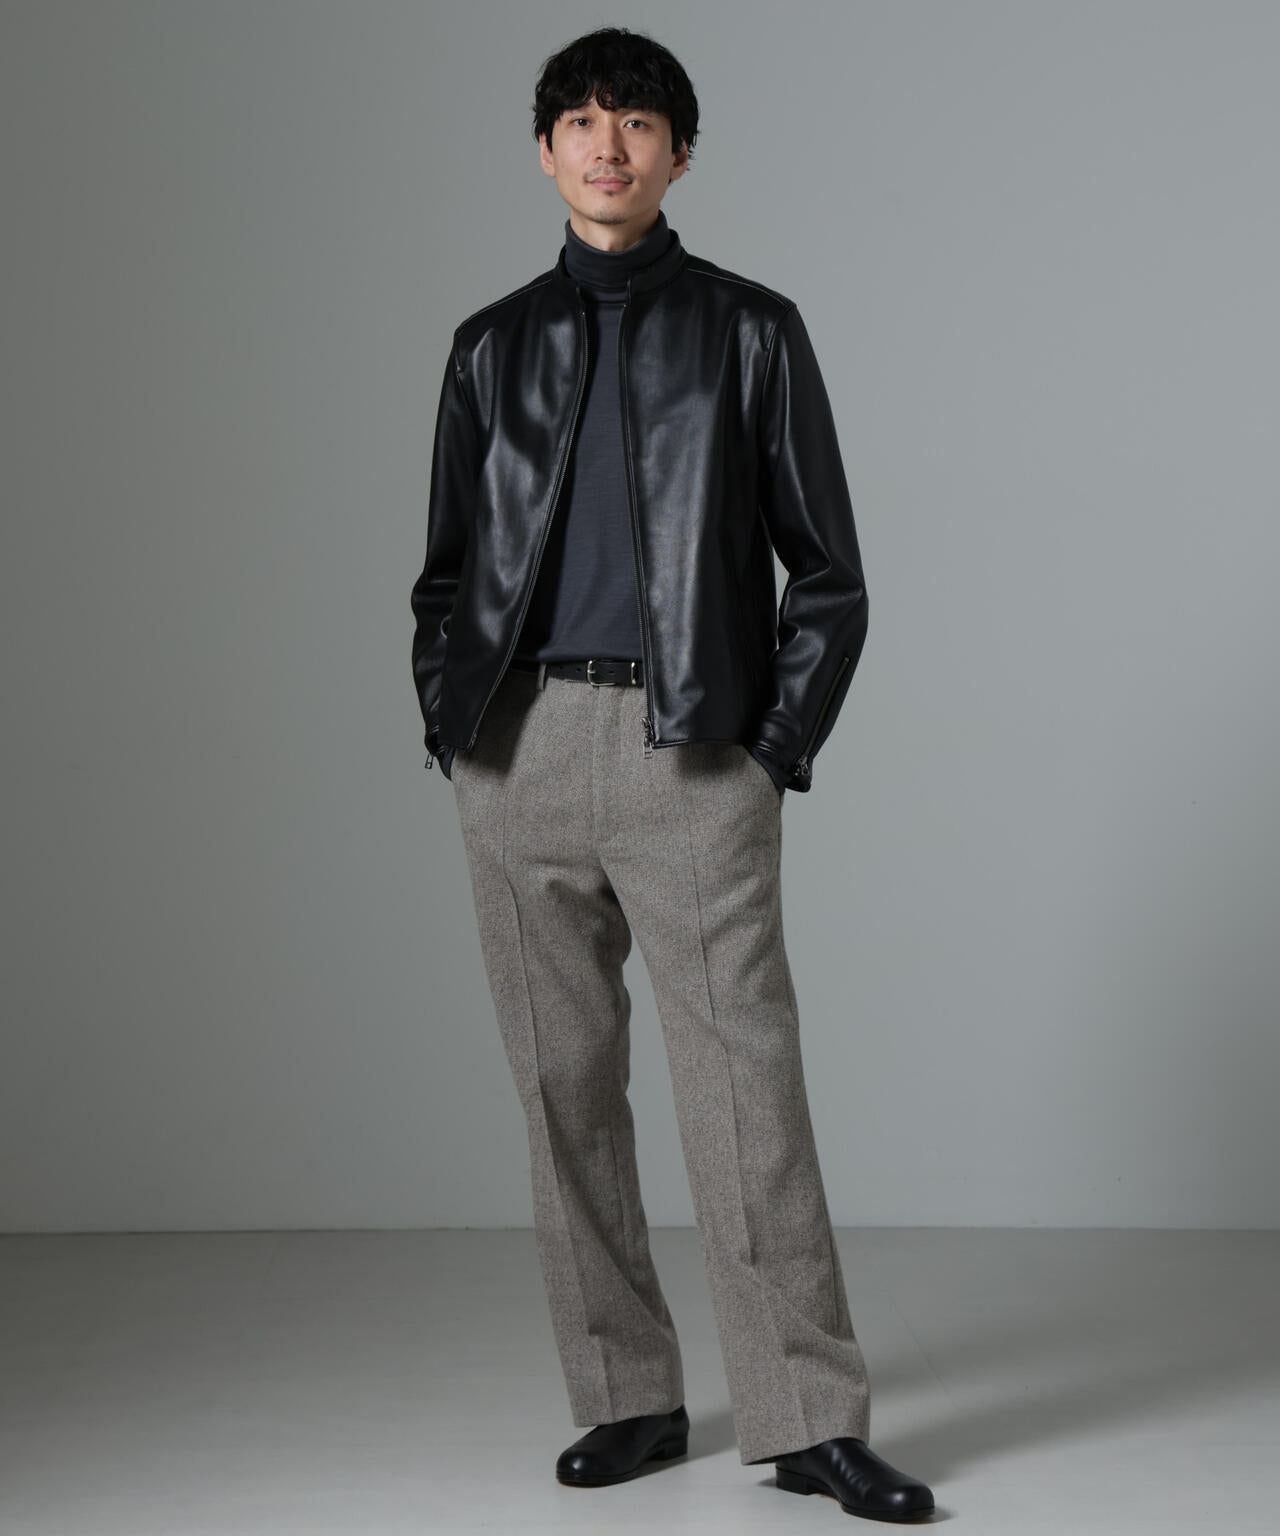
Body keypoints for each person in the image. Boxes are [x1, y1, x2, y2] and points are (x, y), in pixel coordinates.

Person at [410, 24, 935, 1524]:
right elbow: (444, 576)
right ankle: (625, 1394)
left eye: (635, 121)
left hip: (693, 749)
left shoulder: (752, 331)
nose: (607, 143)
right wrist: (454, 726)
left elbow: (828, 576)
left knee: (744, 1093)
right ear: (543, 151)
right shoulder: (489, 346)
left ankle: (807, 1418)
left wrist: (772, 753)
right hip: (517, 749)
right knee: (561, 1089)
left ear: (679, 153)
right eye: (579, 120)